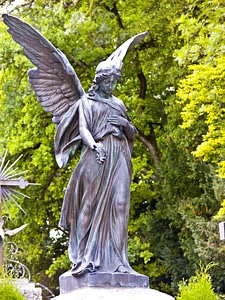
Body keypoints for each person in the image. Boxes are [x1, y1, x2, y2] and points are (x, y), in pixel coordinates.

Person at [58, 62, 138, 275]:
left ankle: (119, 261)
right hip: (98, 154)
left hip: (119, 153)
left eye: (114, 81)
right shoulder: (87, 101)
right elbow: (83, 129)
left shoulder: (118, 103)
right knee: (90, 204)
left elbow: (131, 133)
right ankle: (83, 257)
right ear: (99, 81)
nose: (111, 85)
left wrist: (125, 123)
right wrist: (94, 145)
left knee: (121, 204)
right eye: (107, 81)